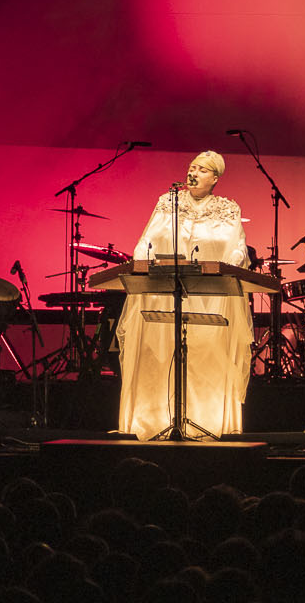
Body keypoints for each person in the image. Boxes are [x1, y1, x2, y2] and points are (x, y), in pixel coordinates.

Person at [115, 150, 253, 439]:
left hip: (210, 295)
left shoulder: (228, 209)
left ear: (216, 178)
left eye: (203, 169)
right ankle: (153, 422)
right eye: (192, 167)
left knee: (206, 359)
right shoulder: (168, 202)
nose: (194, 173)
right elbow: (146, 242)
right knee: (162, 357)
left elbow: (237, 247)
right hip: (164, 292)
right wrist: (141, 264)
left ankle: (207, 423)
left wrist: (230, 264)